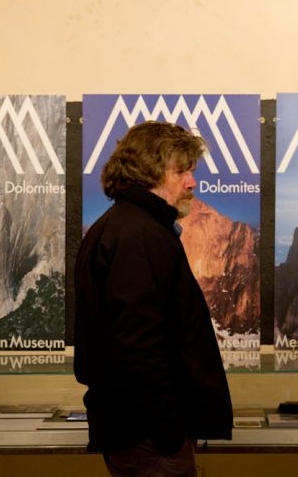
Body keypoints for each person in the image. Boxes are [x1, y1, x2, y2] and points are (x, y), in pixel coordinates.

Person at [74, 121, 233, 477]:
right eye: (182, 172)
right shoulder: (139, 236)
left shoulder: (123, 226)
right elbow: (139, 347)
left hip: (139, 434)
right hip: (148, 439)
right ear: (148, 173)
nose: (192, 182)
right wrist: (169, 435)